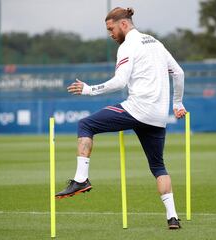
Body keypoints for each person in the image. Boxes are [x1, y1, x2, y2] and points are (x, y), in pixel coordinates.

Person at [56, 7, 186, 229]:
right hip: (157, 116)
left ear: (123, 24)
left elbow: (119, 82)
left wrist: (89, 89)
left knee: (85, 124)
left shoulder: (128, 45)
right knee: (158, 166)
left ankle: (80, 180)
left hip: (137, 109)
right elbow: (179, 73)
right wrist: (177, 103)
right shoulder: (155, 42)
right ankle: (172, 217)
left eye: (111, 28)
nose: (110, 34)